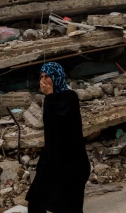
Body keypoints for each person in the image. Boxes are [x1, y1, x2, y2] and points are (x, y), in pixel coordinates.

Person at [26, 62, 91, 213]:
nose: (44, 80)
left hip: (71, 162)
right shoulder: (52, 98)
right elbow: (49, 126)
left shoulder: (70, 97)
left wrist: (50, 95)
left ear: (56, 77)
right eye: (41, 77)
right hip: (52, 158)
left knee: (69, 205)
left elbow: (59, 120)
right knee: (36, 200)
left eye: (47, 76)